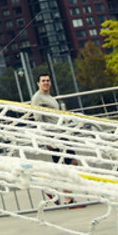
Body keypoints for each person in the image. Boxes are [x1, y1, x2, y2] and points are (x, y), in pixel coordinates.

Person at [29, 74, 74, 204]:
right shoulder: (37, 98)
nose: (46, 83)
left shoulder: (50, 97)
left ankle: (50, 186)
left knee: (70, 164)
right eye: (43, 81)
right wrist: (46, 138)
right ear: (38, 83)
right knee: (64, 166)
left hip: (61, 134)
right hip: (53, 136)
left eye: (48, 80)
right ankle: (68, 199)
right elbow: (38, 118)